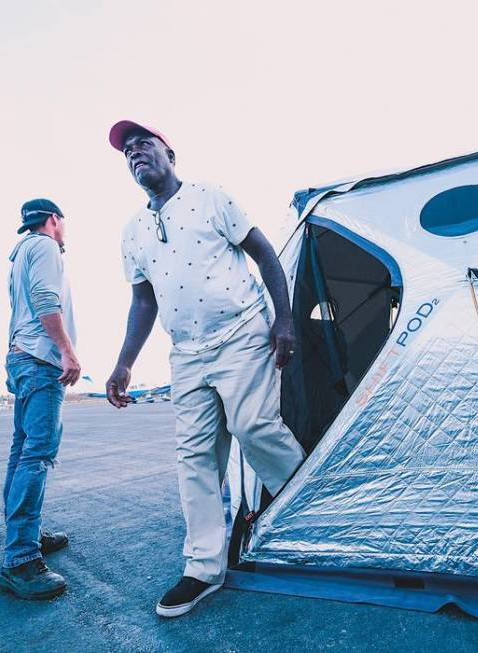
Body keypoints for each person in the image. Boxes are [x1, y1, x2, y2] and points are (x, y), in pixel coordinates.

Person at [106, 121, 306, 618]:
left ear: (169, 152)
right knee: (194, 457)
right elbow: (142, 301)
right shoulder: (132, 231)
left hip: (241, 332)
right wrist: (124, 362)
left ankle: (308, 516)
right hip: (187, 352)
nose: (136, 154)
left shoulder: (211, 196)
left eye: (144, 145)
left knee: (253, 426)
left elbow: (264, 254)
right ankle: (202, 568)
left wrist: (284, 319)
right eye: (128, 152)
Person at [0, 198, 77, 600]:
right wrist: (67, 350)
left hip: (20, 356)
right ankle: (21, 557)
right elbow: (47, 301)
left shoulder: (20, 254)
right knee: (38, 453)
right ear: (53, 220)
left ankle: (24, 535)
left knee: (22, 451)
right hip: (40, 358)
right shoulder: (44, 245)